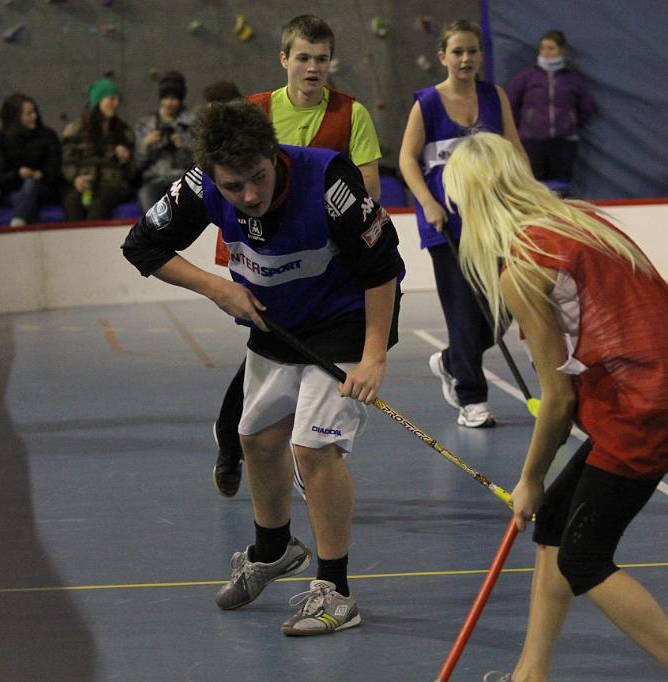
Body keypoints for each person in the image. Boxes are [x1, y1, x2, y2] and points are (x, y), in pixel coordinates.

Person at [442, 133, 668, 681]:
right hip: (661, 387)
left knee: (583, 558)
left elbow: (558, 399)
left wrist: (529, 479)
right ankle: (529, 674)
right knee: (556, 525)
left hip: (641, 407)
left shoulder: (523, 268)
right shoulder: (579, 221)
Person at [121, 99, 404, 636]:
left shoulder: (329, 180)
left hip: (344, 321)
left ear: (274, 154)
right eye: (234, 186)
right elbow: (143, 246)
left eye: (258, 176)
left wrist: (373, 356)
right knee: (255, 438)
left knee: (313, 448)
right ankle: (273, 549)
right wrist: (218, 288)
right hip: (276, 320)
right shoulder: (201, 185)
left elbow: (382, 265)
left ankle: (337, 591)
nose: (250, 195)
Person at [210, 14, 385, 498]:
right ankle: (233, 441)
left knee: (305, 354)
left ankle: (311, 456)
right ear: (284, 59)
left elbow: (369, 185)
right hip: (262, 253)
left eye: (322, 59)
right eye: (303, 58)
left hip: (323, 256)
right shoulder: (255, 111)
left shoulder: (351, 114)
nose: (313, 68)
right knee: (268, 346)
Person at [398, 19, 526, 429]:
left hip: (494, 218)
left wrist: (527, 197)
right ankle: (472, 398)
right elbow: (407, 159)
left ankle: (452, 360)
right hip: (446, 223)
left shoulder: (495, 96)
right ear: (443, 57)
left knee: (504, 307)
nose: (466, 58)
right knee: (463, 315)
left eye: (472, 50)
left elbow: (514, 150)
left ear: (481, 55)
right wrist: (428, 203)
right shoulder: (427, 103)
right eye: (457, 51)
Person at [506, 30, 596, 186]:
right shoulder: (526, 76)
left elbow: (586, 106)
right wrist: (526, 124)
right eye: (543, 48)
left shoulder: (572, 78)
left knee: (561, 184)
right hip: (532, 141)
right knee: (533, 185)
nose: (546, 52)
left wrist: (570, 124)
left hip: (564, 142)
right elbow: (510, 103)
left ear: (562, 50)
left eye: (551, 48)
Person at [61, 78, 135, 221]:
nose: (116, 104)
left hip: (112, 185)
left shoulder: (124, 132)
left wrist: (126, 159)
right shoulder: (76, 130)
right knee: (72, 203)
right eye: (111, 99)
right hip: (83, 182)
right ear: (98, 101)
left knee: (99, 205)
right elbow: (67, 160)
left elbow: (131, 172)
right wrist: (75, 178)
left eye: (118, 100)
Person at [0, 93, 62, 227]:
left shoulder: (48, 135)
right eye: (29, 114)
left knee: (30, 185)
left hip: (44, 188)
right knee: (24, 199)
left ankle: (17, 225)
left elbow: (55, 168)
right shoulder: (0, 139)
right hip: (12, 191)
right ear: (16, 117)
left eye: (34, 112)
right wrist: (18, 174)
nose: (34, 116)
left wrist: (40, 174)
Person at [133, 70, 195, 212]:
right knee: (146, 198)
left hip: (182, 178)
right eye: (166, 98)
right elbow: (136, 165)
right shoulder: (144, 124)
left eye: (174, 98)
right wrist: (146, 145)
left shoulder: (192, 124)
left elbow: (198, 162)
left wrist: (183, 146)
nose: (169, 103)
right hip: (153, 180)